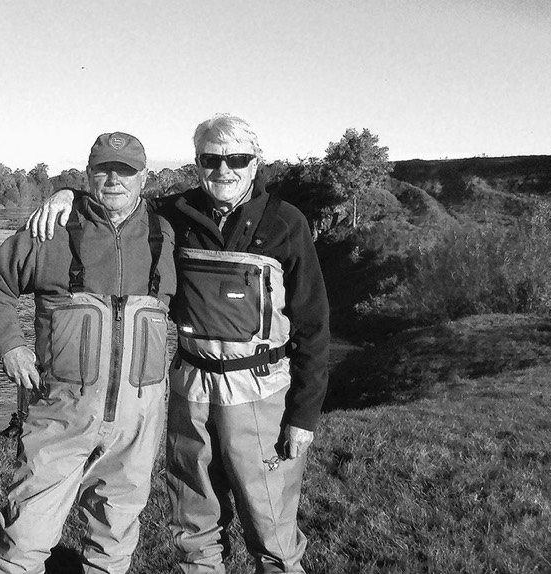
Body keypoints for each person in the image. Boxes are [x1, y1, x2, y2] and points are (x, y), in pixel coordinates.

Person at [29, 114, 330, 574]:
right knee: (194, 512)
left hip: (261, 389)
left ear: (255, 164)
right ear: (197, 163)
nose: (224, 170)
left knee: (269, 516)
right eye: (212, 159)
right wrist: (69, 194)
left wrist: (304, 415)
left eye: (237, 159)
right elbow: (118, 200)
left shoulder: (287, 223)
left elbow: (313, 325)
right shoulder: (173, 215)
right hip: (190, 386)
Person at [0, 131, 176, 574]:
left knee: (116, 529)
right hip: (61, 409)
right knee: (27, 530)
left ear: (144, 177)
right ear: (88, 174)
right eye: (103, 169)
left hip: (137, 418)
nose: (114, 180)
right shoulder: (52, 230)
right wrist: (10, 346)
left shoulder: (166, 234)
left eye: (125, 171)